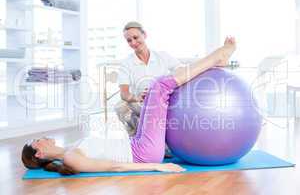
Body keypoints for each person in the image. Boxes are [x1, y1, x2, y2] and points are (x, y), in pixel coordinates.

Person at [21, 37, 236, 174]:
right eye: (36, 141)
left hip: (136, 144)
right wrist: (156, 166)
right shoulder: (69, 158)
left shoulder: (70, 149)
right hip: (143, 153)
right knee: (160, 86)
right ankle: (217, 58)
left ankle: (215, 61)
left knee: (153, 90)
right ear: (38, 153)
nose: (41, 137)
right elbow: (113, 167)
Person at [115, 21, 182, 135]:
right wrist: (137, 97)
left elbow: (182, 71)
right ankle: (139, 135)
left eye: (136, 37)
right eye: (129, 40)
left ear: (144, 35)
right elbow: (124, 94)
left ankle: (163, 135)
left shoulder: (162, 56)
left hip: (164, 102)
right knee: (120, 106)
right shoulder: (126, 63)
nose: (133, 42)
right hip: (142, 105)